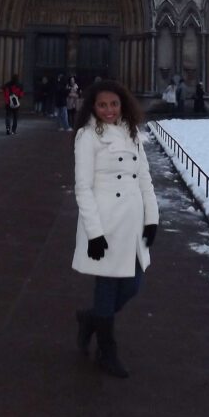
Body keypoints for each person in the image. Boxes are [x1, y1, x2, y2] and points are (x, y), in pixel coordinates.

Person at [72, 79, 159, 378]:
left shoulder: (131, 131)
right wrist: (94, 233)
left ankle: (91, 319)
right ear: (92, 108)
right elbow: (83, 187)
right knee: (107, 286)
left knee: (133, 285)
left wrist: (153, 219)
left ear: (123, 104)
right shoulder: (87, 136)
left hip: (132, 222)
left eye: (113, 104)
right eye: (102, 105)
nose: (109, 110)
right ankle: (107, 351)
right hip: (105, 223)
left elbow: (144, 177)